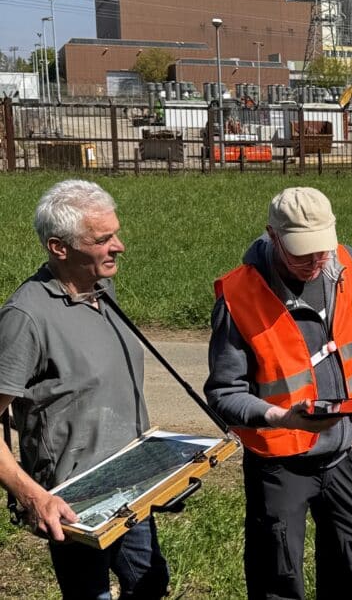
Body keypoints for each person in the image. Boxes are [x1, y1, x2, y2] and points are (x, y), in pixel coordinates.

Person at [205, 186, 352, 600]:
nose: (316, 262)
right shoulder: (239, 295)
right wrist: (282, 418)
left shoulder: (349, 265)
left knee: (346, 557)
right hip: (280, 465)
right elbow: (222, 393)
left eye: (322, 249)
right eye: (301, 252)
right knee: (277, 575)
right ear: (272, 234)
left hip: (341, 454)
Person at [0, 179, 170, 598]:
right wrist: (31, 496)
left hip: (130, 483)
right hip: (75, 503)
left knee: (151, 583)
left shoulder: (101, 289)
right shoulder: (26, 317)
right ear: (60, 248)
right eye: (103, 238)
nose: (120, 246)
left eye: (116, 232)